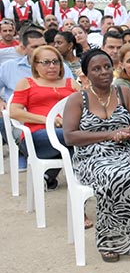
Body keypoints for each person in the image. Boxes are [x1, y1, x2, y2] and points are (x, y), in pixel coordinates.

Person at [62, 49, 130, 262]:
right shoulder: (77, 100)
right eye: (96, 69)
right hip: (92, 157)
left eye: (107, 67)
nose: (104, 72)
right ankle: (110, 240)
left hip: (127, 150)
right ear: (86, 75)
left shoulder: (124, 92)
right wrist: (109, 135)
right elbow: (70, 136)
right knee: (115, 174)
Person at [9, 45, 79, 190]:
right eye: (46, 62)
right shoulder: (27, 83)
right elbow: (14, 112)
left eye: (56, 61)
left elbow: (88, 104)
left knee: (75, 149)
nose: (52, 66)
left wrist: (86, 85)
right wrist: (48, 120)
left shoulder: (71, 83)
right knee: (79, 139)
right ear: (35, 65)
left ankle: (76, 197)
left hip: (69, 134)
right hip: (37, 135)